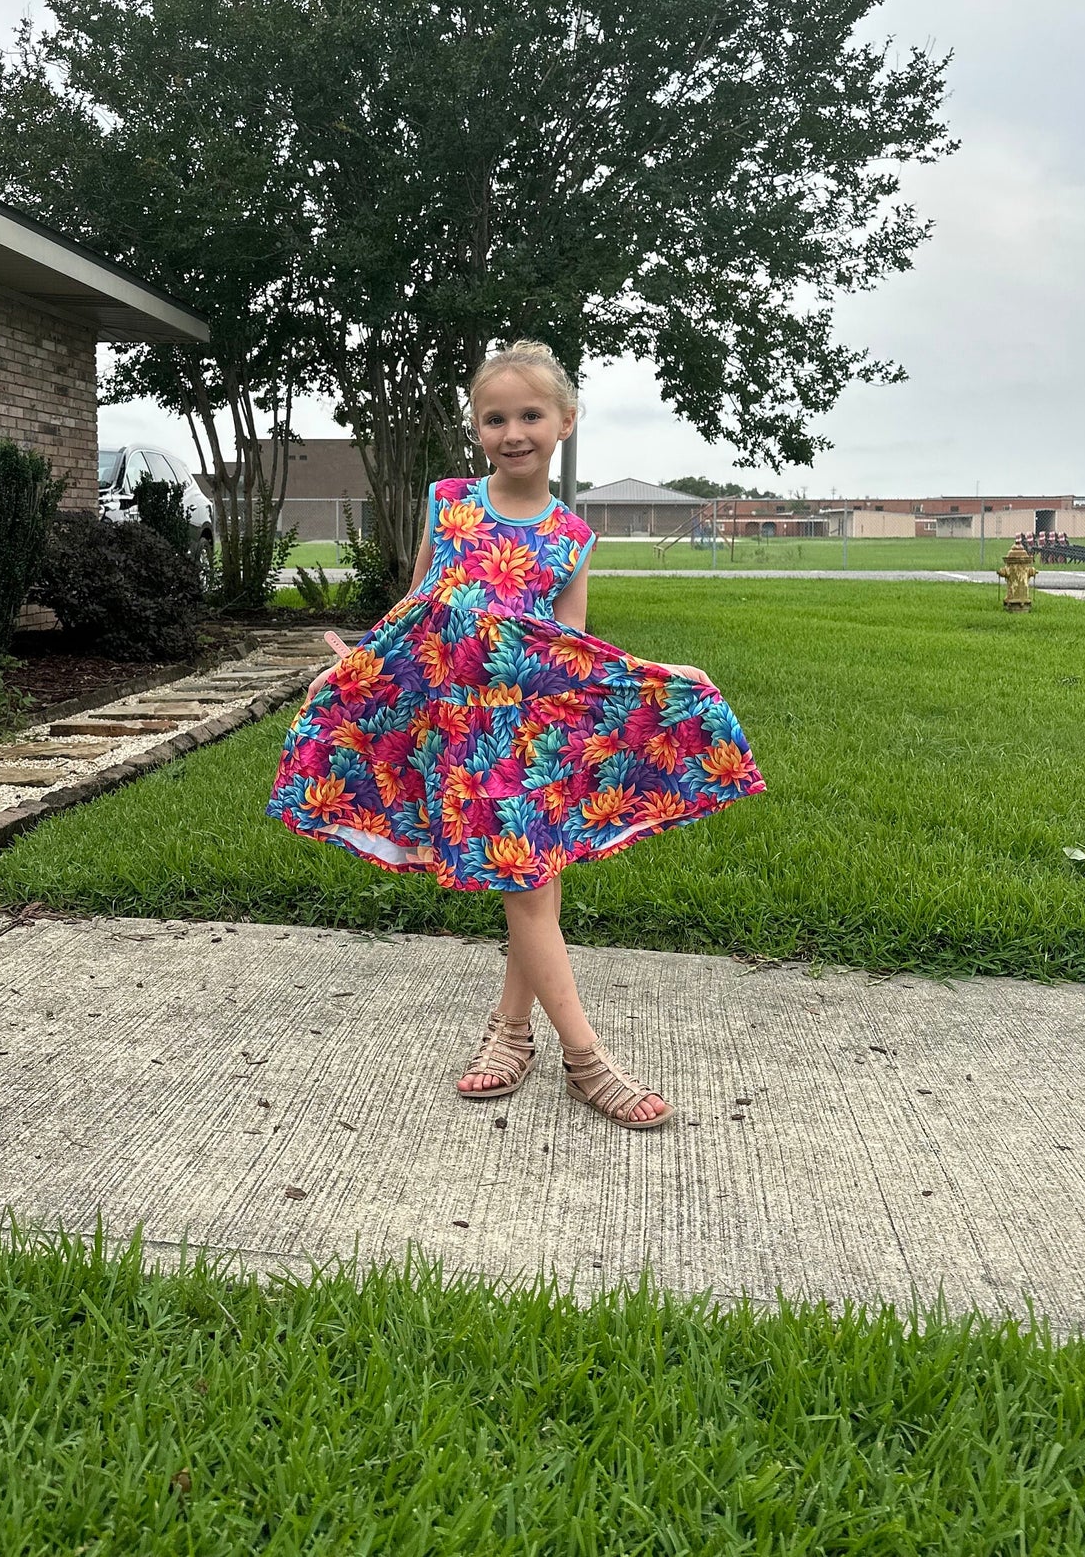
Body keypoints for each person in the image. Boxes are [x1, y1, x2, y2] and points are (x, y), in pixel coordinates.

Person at [267, 340, 765, 1130]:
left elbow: (571, 649)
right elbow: (417, 607)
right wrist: (354, 669)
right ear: (477, 428)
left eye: (529, 414)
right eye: (493, 417)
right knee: (527, 889)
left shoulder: (571, 535)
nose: (511, 431)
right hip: (454, 735)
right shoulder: (450, 502)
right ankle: (581, 1057)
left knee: (531, 886)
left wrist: (660, 674)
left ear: (565, 420)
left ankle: (518, 1037)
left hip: (525, 739)